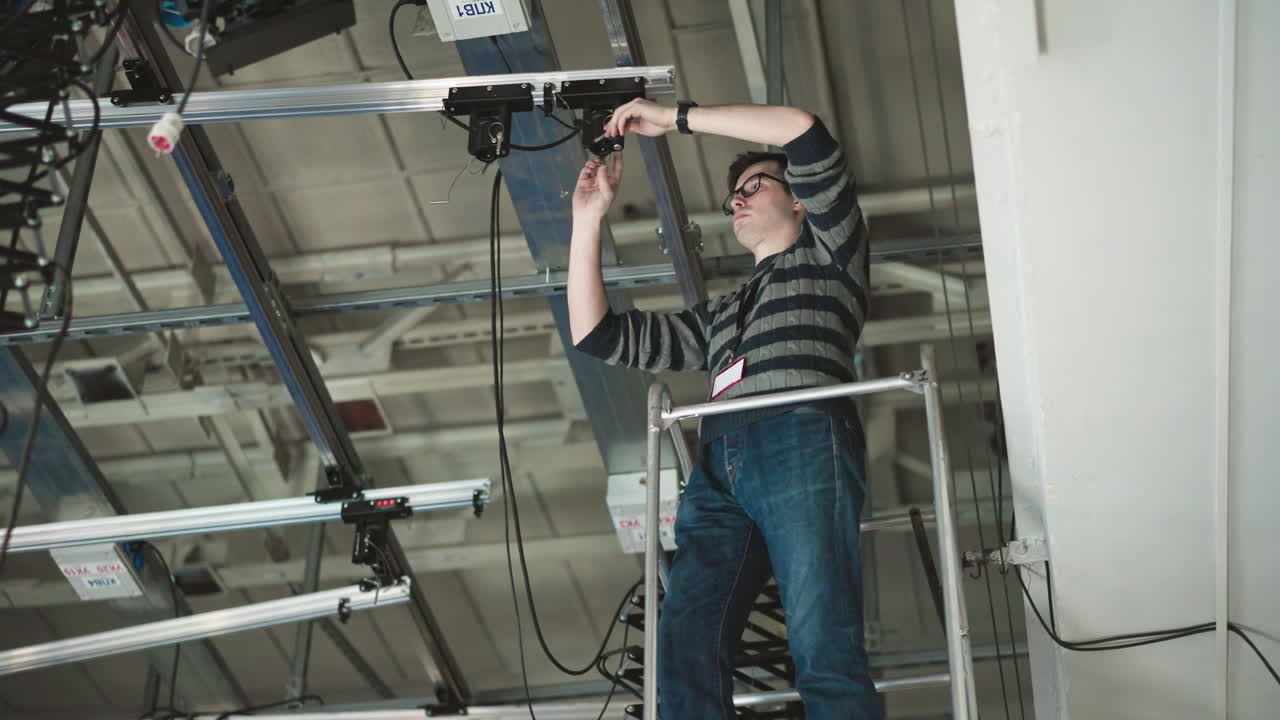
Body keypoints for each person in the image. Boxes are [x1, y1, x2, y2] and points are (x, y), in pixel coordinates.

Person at [567, 98, 880, 720]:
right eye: (732, 193)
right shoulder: (724, 312)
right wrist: (588, 219)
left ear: (800, 201)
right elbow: (596, 335)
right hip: (717, 466)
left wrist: (676, 118)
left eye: (752, 186)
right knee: (684, 644)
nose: (736, 200)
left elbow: (802, 130)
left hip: (802, 435)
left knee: (821, 639)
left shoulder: (832, 255)